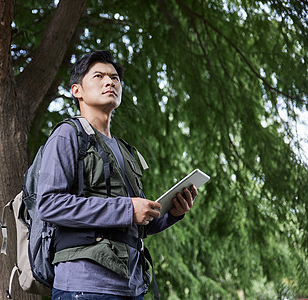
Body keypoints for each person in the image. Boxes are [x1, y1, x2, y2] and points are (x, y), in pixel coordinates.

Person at [37, 50, 197, 299]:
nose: (110, 81)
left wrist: (172, 212)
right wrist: (127, 209)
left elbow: (136, 221)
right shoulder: (67, 135)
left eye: (115, 78)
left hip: (131, 286)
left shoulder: (126, 151)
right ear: (77, 90)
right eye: (99, 76)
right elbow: (49, 204)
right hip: (85, 286)